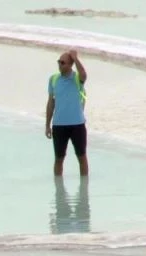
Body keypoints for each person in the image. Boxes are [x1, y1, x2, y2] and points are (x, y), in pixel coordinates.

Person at [45, 49, 89, 177]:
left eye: (63, 62)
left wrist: (75, 58)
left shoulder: (77, 79)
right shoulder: (53, 79)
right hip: (59, 126)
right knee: (59, 159)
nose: (59, 64)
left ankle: (83, 191)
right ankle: (59, 191)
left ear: (70, 65)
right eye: (59, 62)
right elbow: (50, 103)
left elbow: (84, 75)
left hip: (77, 125)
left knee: (81, 157)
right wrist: (47, 124)